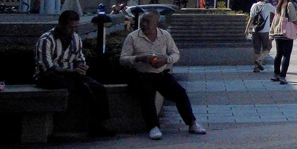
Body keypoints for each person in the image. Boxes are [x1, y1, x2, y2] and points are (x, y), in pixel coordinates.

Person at [120, 10, 205, 140]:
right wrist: (139, 58)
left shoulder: (164, 35)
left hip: (161, 73)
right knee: (147, 97)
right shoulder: (133, 37)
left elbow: (175, 53)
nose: (144, 24)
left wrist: (166, 60)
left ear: (156, 23)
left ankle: (192, 123)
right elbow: (123, 59)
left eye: (147, 21)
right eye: (142, 21)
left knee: (180, 93)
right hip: (142, 74)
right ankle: (153, 127)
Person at [34, 10, 115, 138]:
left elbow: (79, 57)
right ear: (61, 25)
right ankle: (93, 125)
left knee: (99, 88)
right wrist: (71, 71)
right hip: (48, 77)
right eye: (70, 27)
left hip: (71, 74)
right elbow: (47, 67)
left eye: (75, 27)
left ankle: (100, 123)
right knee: (82, 88)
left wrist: (81, 66)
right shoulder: (46, 40)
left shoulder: (75, 38)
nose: (72, 31)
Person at [270, 0, 297, 84]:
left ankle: (276, 74)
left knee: (278, 54)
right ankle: (282, 77)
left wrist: (271, 33)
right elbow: (293, 17)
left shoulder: (279, 5)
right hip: (287, 33)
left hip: (278, 33)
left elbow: (275, 20)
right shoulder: (290, 4)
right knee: (286, 55)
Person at [244, 0, 275, 73]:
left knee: (256, 49)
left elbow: (251, 18)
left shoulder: (254, 6)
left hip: (255, 30)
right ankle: (260, 60)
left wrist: (247, 29)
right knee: (268, 47)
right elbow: (277, 12)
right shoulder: (268, 6)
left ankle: (256, 68)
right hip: (265, 31)